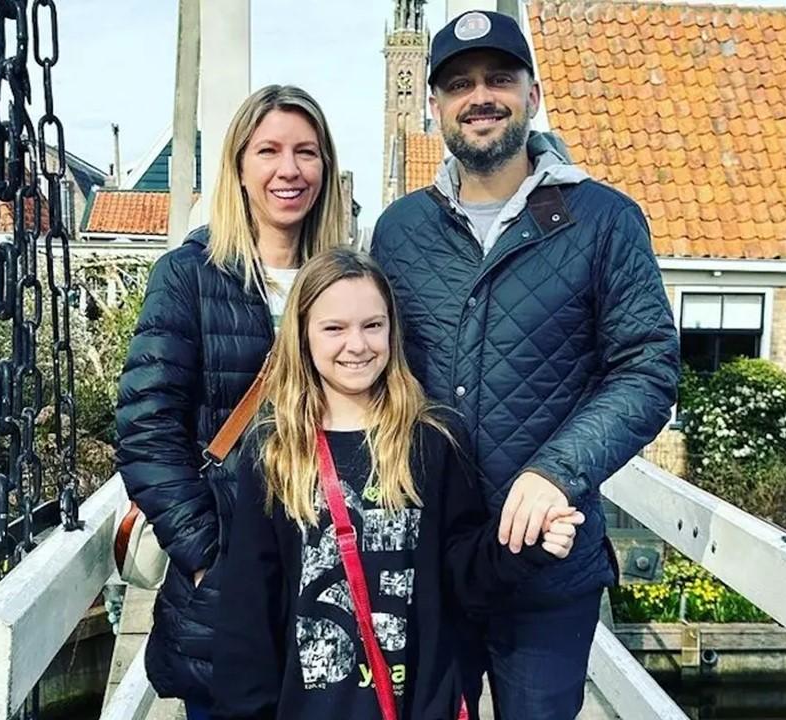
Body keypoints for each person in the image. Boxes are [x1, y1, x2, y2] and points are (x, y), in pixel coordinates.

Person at [370, 10, 681, 719]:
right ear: (435, 106)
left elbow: (646, 369)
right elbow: (369, 369)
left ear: (531, 95)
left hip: (548, 562)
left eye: (498, 79)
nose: (480, 97)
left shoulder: (603, 221)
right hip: (430, 559)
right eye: (458, 84)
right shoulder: (401, 231)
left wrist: (557, 469)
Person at [210, 247, 584, 720]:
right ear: (302, 335)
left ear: (392, 328)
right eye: (334, 328)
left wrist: (527, 543)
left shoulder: (433, 441)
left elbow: (462, 572)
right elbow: (250, 613)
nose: (358, 345)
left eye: (373, 325)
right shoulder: (274, 453)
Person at [115, 84, 348, 719]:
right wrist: (205, 558)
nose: (288, 169)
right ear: (240, 167)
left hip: (331, 573)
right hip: (230, 577)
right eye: (268, 150)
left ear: (326, 168)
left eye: (306, 151)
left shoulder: (348, 281)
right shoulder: (190, 277)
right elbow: (147, 427)